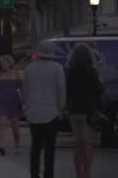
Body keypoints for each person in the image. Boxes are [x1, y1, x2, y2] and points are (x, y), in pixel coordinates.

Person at [23, 41, 66, 178]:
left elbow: (25, 91)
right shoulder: (57, 68)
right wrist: (61, 109)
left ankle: (34, 174)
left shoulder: (29, 68)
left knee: (35, 147)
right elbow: (61, 91)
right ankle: (49, 174)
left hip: (33, 113)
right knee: (49, 148)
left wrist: (26, 108)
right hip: (51, 112)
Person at [66, 44, 104, 178]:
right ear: (89, 56)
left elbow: (68, 92)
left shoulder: (69, 72)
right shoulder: (91, 71)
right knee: (88, 145)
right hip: (89, 113)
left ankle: (78, 174)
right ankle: (86, 174)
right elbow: (99, 90)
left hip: (74, 112)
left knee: (78, 145)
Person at [0, 54, 23, 156]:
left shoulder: (17, 74)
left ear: (9, 63)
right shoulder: (0, 75)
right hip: (2, 102)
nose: (2, 64)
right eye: (1, 63)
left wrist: (22, 101)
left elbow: (22, 89)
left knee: (14, 126)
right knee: (2, 124)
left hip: (14, 102)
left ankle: (17, 145)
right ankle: (1, 146)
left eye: (4, 62)